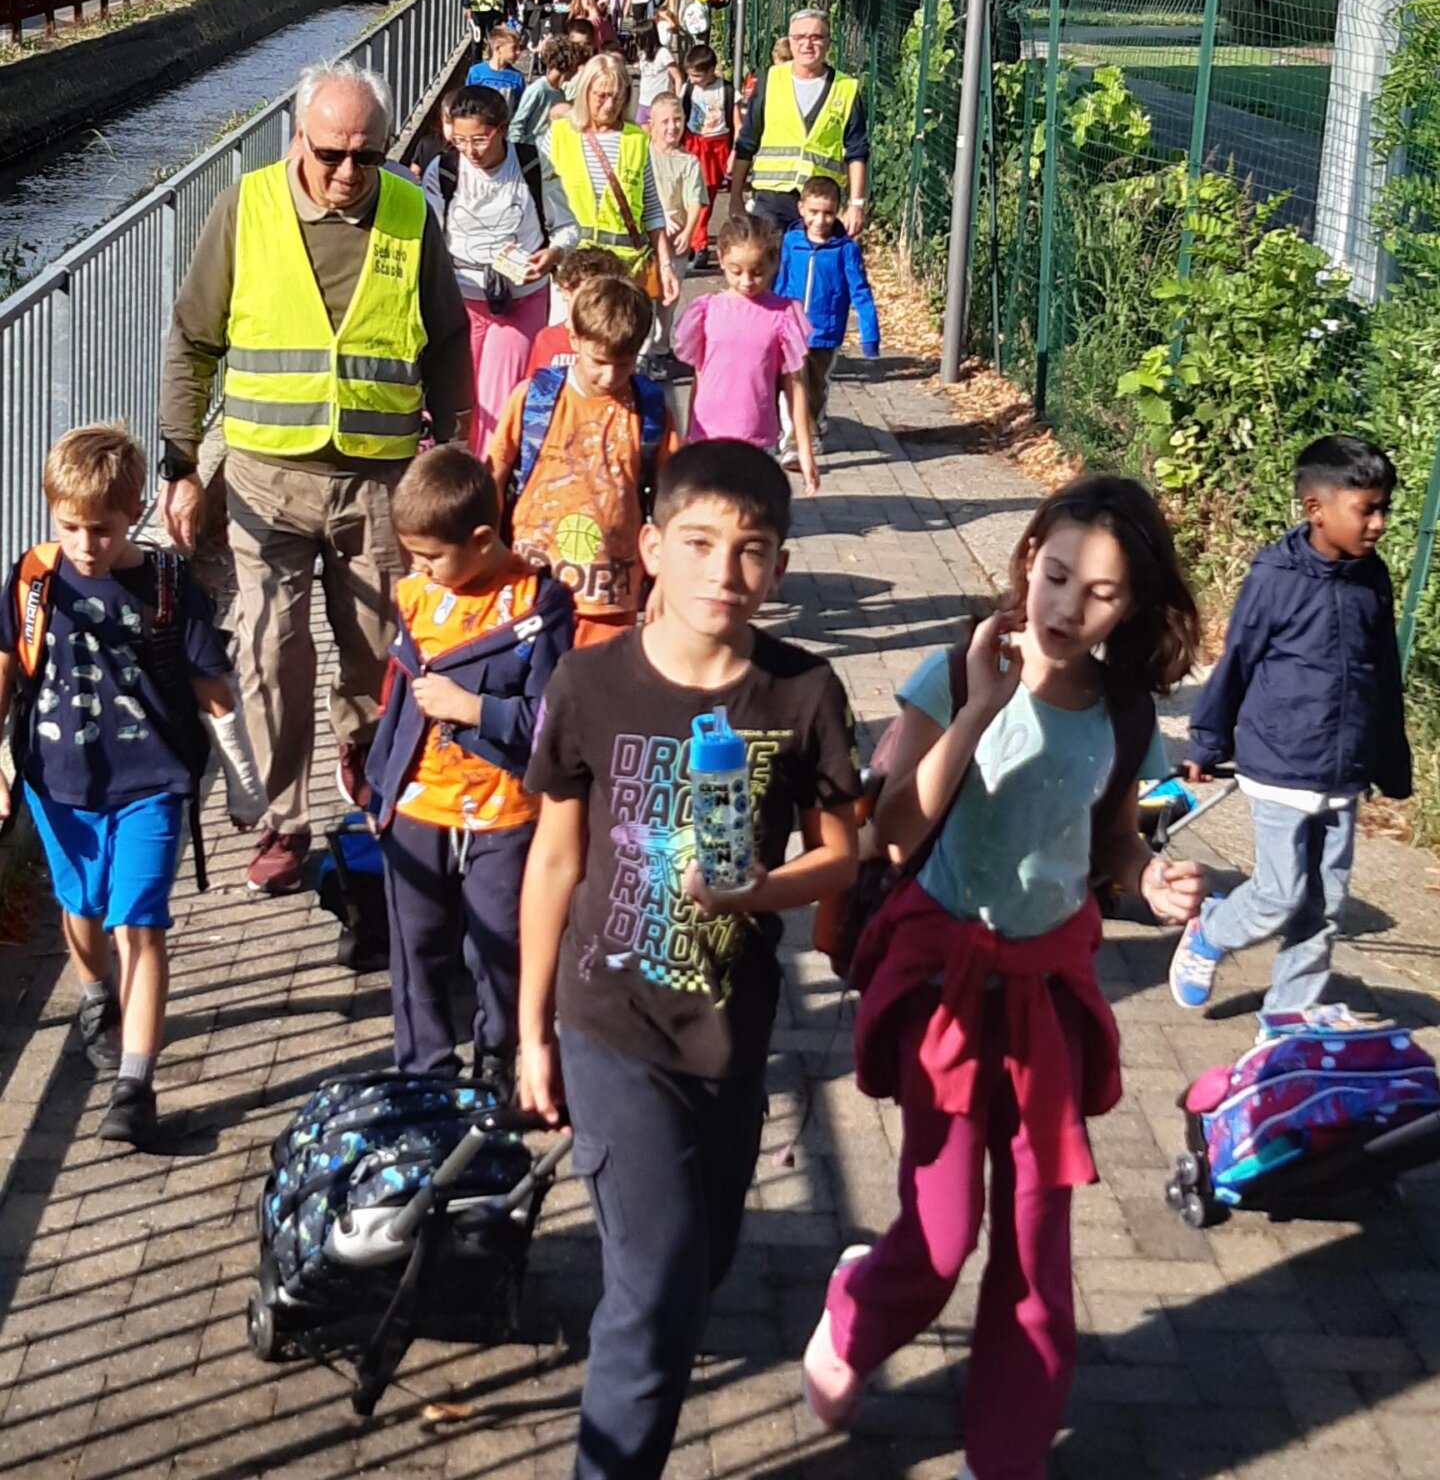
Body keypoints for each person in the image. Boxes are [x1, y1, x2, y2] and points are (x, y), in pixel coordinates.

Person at [801, 476, 1207, 1479]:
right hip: (946, 980)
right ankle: (854, 1313)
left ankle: (1009, 1454)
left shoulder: (1121, 712)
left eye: (1101, 594)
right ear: (1029, 560)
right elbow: (891, 835)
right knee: (941, 1242)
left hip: (1048, 994)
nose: (1069, 608)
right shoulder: (956, 670)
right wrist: (982, 710)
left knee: (1036, 1250)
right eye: (1058, 575)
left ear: (1132, 606)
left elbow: (1113, 841)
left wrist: (1147, 877)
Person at [518, 439, 862, 1480]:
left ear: (781, 569)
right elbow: (553, 861)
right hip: (608, 1021)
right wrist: (531, 1032)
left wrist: (760, 890)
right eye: (702, 545)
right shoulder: (589, 683)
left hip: (731, 1026)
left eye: (752, 551)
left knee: (702, 1263)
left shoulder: (803, 695)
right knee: (658, 1292)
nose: (726, 573)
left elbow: (841, 854)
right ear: (651, 548)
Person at [159, 61, 473, 896]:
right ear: (298, 138)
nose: (348, 173)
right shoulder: (246, 207)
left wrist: (458, 451)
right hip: (268, 478)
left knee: (375, 651)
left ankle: (363, 749)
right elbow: (193, 339)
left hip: (380, 482)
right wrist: (182, 464)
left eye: (366, 156)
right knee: (269, 648)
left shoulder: (411, 212)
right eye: (331, 152)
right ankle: (284, 819)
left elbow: (447, 340)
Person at [0, 425, 265, 1148]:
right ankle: (94, 996)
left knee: (138, 924)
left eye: (104, 529)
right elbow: (8, 667)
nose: (87, 544)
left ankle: (134, 1085)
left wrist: (243, 785)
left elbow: (214, 691)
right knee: (81, 907)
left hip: (151, 783)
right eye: (71, 527)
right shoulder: (34, 579)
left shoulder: (169, 587)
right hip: (58, 785)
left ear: (136, 510)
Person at [1170, 434, 1412, 1016]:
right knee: (1280, 896)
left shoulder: (1372, 579)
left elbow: (1383, 677)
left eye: (1384, 508)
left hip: (1343, 771)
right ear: (1316, 510)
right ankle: (1212, 929)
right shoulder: (1276, 578)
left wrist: (1389, 760)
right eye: (1366, 509)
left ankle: (1288, 1017)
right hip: (1280, 764)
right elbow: (1238, 660)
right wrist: (1207, 738)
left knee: (1324, 903)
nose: (1378, 523)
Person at [366, 446, 574, 1090]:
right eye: (413, 555)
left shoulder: (538, 606)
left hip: (504, 810)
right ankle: (424, 1070)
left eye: (431, 556)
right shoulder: (416, 597)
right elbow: (397, 699)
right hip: (417, 807)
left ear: (483, 540)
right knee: (416, 947)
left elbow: (552, 721)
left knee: (501, 945)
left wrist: (476, 710)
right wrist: (378, 782)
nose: (419, 569)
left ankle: (498, 1053)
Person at [489, 274, 677, 648]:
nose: (610, 376)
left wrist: (667, 583)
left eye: (624, 364)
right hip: (530, 588)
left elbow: (674, 498)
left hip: (611, 597)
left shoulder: (651, 409)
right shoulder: (533, 400)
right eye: (599, 361)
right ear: (574, 339)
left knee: (599, 699)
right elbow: (494, 473)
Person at [423, 86, 568, 454]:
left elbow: (568, 227)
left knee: (500, 394)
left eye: (479, 140)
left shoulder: (532, 164)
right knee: (462, 401)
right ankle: (461, 475)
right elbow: (428, 238)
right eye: (460, 140)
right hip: (461, 300)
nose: (470, 151)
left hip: (519, 298)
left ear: (501, 128)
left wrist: (553, 254)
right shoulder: (444, 170)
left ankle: (491, 480)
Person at [674, 214, 819, 495]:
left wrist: (804, 449)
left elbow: (795, 386)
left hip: (756, 434)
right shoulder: (707, 310)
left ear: (773, 263)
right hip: (708, 433)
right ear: (721, 258)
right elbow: (700, 375)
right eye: (735, 270)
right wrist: (687, 436)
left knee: (748, 510)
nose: (747, 281)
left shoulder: (784, 314)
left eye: (757, 271)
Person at [542, 53, 681, 311]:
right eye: (601, 96)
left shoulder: (636, 140)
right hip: (572, 268)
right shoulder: (559, 134)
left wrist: (665, 265)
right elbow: (534, 196)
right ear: (585, 93)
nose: (609, 105)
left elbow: (651, 208)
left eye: (617, 96)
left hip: (624, 268)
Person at [729, 8, 869, 237]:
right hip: (771, 199)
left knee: (816, 271)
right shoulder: (769, 80)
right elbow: (746, 142)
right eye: (800, 38)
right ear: (790, 42)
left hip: (820, 204)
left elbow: (857, 150)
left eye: (816, 37)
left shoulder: (846, 88)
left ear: (828, 42)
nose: (807, 44)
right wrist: (736, 198)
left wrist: (856, 204)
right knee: (769, 269)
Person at [775, 174, 881, 465]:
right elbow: (782, 282)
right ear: (801, 209)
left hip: (825, 332)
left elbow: (860, 292)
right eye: (814, 212)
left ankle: (814, 426)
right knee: (792, 382)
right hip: (792, 329)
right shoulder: (791, 242)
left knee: (816, 386)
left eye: (828, 213)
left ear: (838, 212)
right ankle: (796, 441)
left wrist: (869, 335)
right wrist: (772, 316)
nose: (820, 220)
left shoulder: (846, 250)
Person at [641, 92, 705, 380]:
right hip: (646, 242)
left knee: (667, 302)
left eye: (677, 120)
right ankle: (641, 353)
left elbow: (695, 200)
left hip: (676, 242)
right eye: (665, 121)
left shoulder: (688, 161)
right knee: (643, 299)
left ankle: (661, 349)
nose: (672, 127)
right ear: (651, 124)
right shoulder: (642, 154)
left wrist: (689, 231)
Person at [526, 245, 627, 378]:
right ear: (565, 290)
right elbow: (533, 388)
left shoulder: (616, 339)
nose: (593, 303)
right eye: (586, 294)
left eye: (603, 295)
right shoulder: (547, 339)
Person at [680, 43, 735, 265]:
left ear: (712, 70)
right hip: (694, 142)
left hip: (717, 145)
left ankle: (699, 243)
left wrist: (734, 153)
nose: (693, 80)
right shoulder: (689, 90)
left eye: (697, 76)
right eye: (690, 76)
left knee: (706, 196)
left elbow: (737, 124)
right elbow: (681, 115)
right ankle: (697, 242)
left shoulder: (727, 90)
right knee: (692, 195)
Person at [512, 34, 585, 146]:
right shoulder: (538, 89)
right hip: (531, 152)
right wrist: (518, 151)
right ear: (570, 64)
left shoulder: (561, 94)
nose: (578, 71)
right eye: (577, 65)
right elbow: (517, 123)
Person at [465, 25, 527, 116]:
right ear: (498, 49)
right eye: (514, 48)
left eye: (519, 48)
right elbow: (467, 101)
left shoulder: (517, 78)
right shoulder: (476, 73)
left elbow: (520, 109)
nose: (518, 52)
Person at [634, 18, 682, 126]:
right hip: (644, 102)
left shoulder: (663, 53)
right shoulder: (642, 54)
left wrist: (678, 100)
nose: (635, 41)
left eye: (637, 37)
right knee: (643, 138)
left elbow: (677, 77)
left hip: (661, 103)